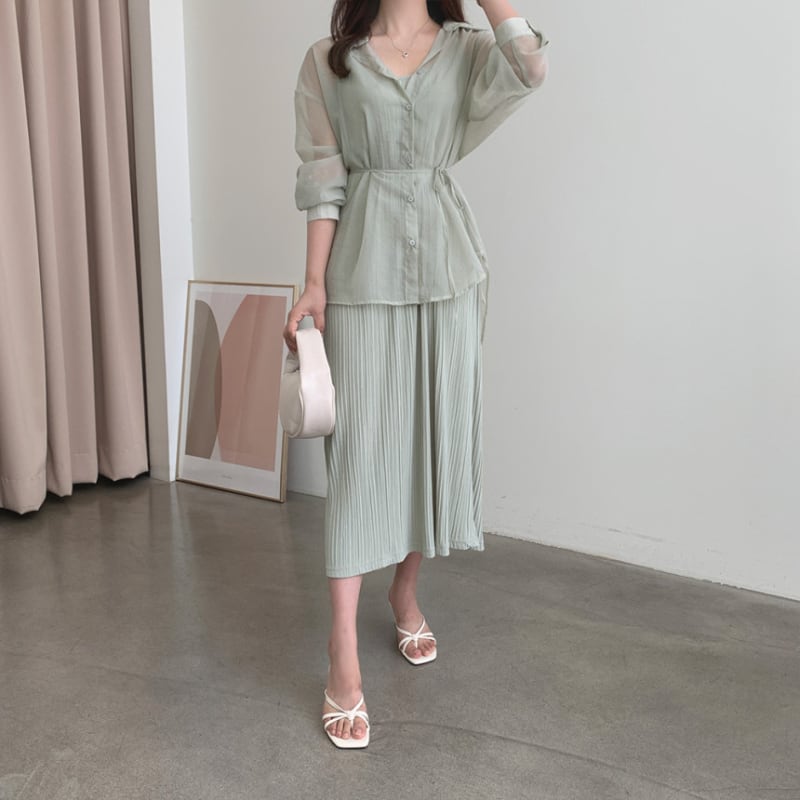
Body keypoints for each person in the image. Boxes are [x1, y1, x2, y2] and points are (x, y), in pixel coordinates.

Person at [283, 0, 549, 748]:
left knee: (429, 444)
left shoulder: (466, 51)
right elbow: (323, 178)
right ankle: (341, 646)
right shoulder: (328, 61)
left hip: (448, 273)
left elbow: (530, 66)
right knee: (359, 457)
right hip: (360, 275)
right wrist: (313, 282)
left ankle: (404, 589)